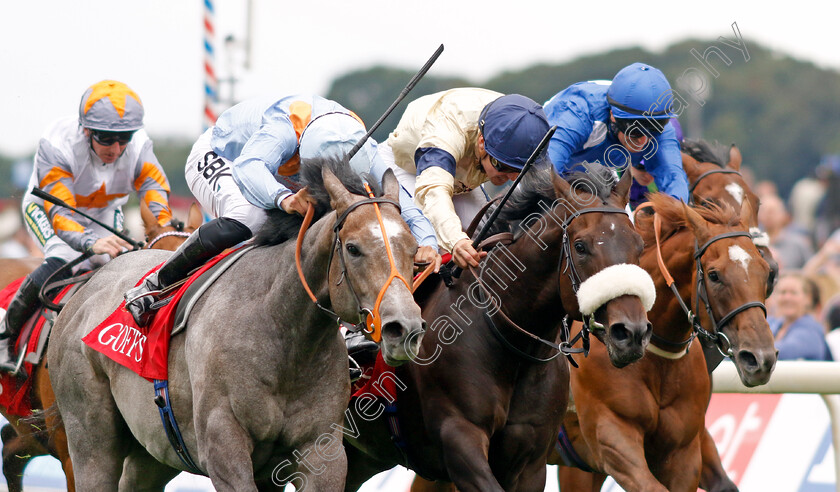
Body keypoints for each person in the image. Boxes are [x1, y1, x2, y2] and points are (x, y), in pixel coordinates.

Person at [125, 94, 440, 328]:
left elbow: (403, 207)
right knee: (250, 216)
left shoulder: (365, 149)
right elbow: (249, 168)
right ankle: (156, 284)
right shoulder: (282, 129)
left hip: (283, 169)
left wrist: (428, 242)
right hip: (227, 157)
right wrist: (283, 199)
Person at [0, 80, 173, 373]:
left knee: (115, 264)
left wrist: (164, 230)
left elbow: (156, 194)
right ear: (87, 130)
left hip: (104, 210)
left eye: (124, 138)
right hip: (52, 206)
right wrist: (91, 242)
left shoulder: (141, 147)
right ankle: (5, 334)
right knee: (65, 258)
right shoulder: (57, 143)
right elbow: (62, 216)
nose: (116, 149)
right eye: (106, 139)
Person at [379, 89, 550, 269]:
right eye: (503, 166)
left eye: (521, 171)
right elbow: (433, 191)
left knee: (483, 240)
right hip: (410, 167)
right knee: (434, 246)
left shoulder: (524, 127)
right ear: (482, 143)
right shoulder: (447, 129)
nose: (512, 177)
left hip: (460, 174)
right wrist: (456, 241)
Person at [543, 62, 689, 204]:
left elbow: (673, 178)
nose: (643, 141)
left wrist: (673, 213)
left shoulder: (661, 127)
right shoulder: (576, 117)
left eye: (653, 131)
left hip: (600, 169)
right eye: (636, 132)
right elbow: (545, 177)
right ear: (613, 116)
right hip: (542, 164)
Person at [768, 272, 832, 361]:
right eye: (782, 292)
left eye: (793, 293)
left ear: (808, 298)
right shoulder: (771, 323)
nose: (787, 298)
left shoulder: (812, 330)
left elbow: (785, 352)